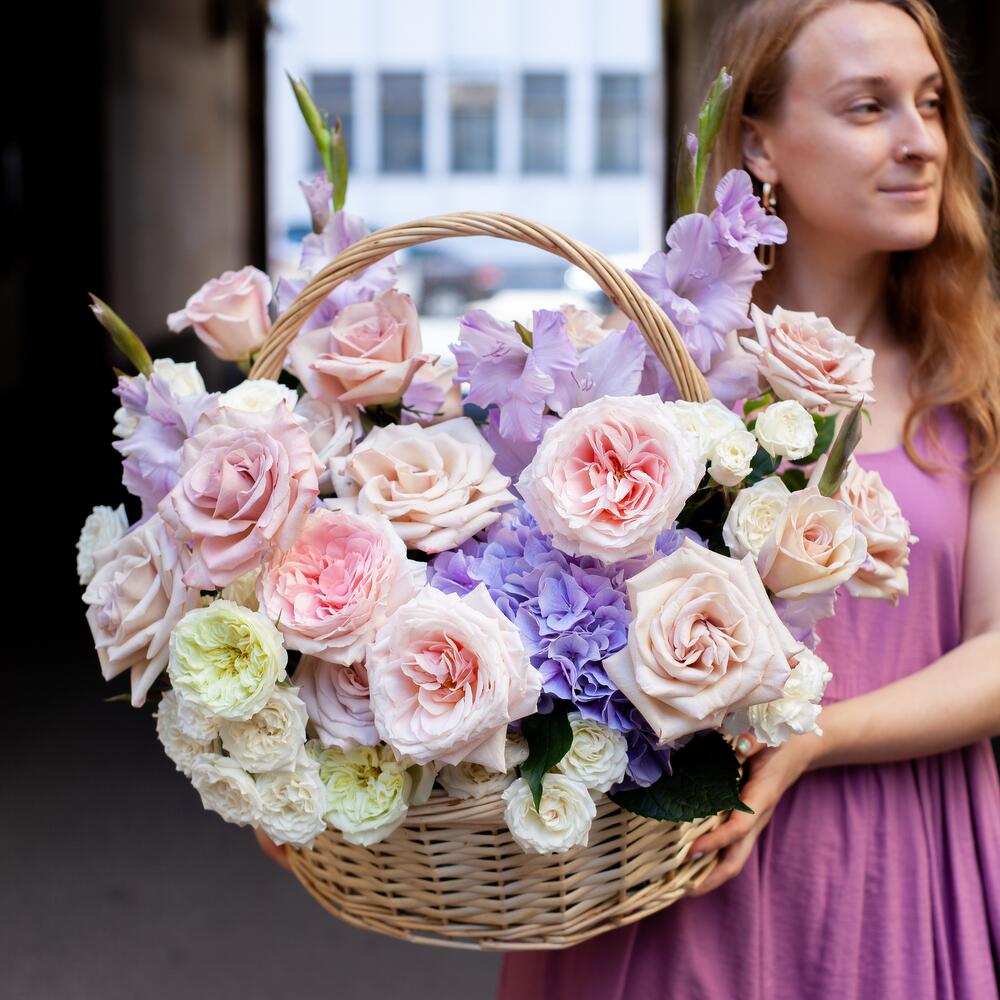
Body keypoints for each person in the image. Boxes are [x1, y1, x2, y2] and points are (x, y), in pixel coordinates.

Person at [494, 1, 1000, 997]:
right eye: (868, 107)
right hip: (667, 869)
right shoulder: (650, 373)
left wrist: (817, 735)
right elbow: (520, 616)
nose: (921, 142)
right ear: (761, 143)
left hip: (898, 856)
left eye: (931, 103)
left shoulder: (976, 378)